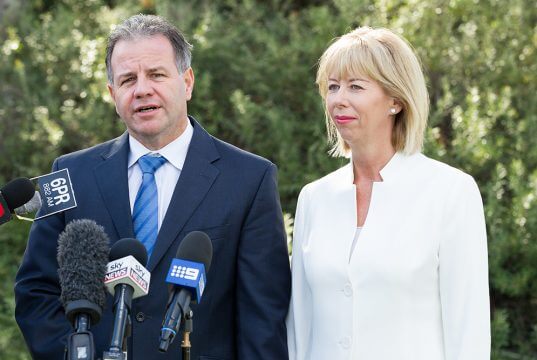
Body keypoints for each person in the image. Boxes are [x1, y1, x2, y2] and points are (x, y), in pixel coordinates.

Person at [15, 14, 291, 359]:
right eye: (128, 79)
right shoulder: (70, 174)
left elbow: (262, 319)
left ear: (187, 82)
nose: (142, 89)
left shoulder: (250, 179)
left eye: (156, 74)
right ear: (112, 93)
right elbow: (36, 292)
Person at [286, 27, 490, 360]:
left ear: (395, 100)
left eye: (355, 86)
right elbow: (299, 327)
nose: (339, 98)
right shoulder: (314, 198)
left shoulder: (451, 192)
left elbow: (468, 333)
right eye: (333, 86)